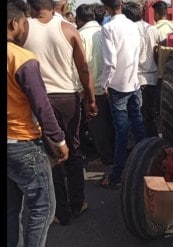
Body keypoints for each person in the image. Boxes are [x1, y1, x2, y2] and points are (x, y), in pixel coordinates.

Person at [24, 0, 98, 225]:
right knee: (73, 151)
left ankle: (59, 210)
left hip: (38, 100)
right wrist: (91, 99)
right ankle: (78, 203)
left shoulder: (23, 29)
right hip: (68, 98)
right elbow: (83, 68)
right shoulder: (68, 29)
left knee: (51, 154)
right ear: (53, 6)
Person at [7, 0, 69, 245]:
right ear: (14, 23)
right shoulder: (22, 58)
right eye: (24, 23)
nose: (26, 28)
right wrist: (58, 139)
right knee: (42, 207)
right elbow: (41, 105)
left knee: (11, 209)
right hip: (22, 142)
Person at [98, 0, 146, 189]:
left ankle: (117, 175)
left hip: (118, 86)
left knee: (122, 132)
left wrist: (105, 85)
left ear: (107, 8)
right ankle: (146, 165)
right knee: (138, 125)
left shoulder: (108, 28)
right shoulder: (134, 26)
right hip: (133, 82)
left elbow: (110, 62)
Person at [76, 3, 115, 166]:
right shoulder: (104, 31)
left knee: (97, 127)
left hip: (91, 89)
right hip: (109, 86)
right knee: (110, 124)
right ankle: (112, 154)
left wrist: (81, 90)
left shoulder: (79, 35)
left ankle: (106, 157)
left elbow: (80, 66)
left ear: (78, 19)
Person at [123, 1, 161, 137]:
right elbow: (160, 50)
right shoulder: (152, 29)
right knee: (149, 113)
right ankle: (153, 140)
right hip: (152, 77)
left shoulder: (129, 31)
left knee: (135, 115)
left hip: (135, 78)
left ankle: (141, 144)